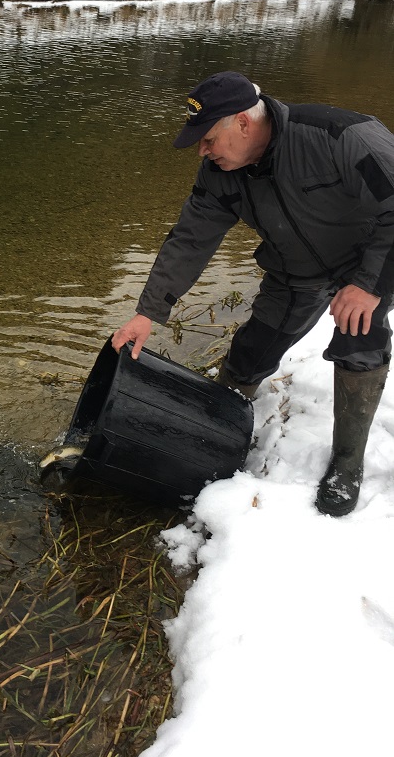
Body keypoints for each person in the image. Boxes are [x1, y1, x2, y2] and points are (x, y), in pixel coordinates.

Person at [112, 71, 394, 517]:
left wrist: (369, 286)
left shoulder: (341, 136)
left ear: (243, 122)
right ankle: (218, 423)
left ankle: (347, 462)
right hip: (293, 273)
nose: (202, 151)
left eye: (208, 140)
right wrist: (148, 312)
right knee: (251, 351)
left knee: (360, 341)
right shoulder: (219, 174)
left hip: (366, 264)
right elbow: (190, 239)